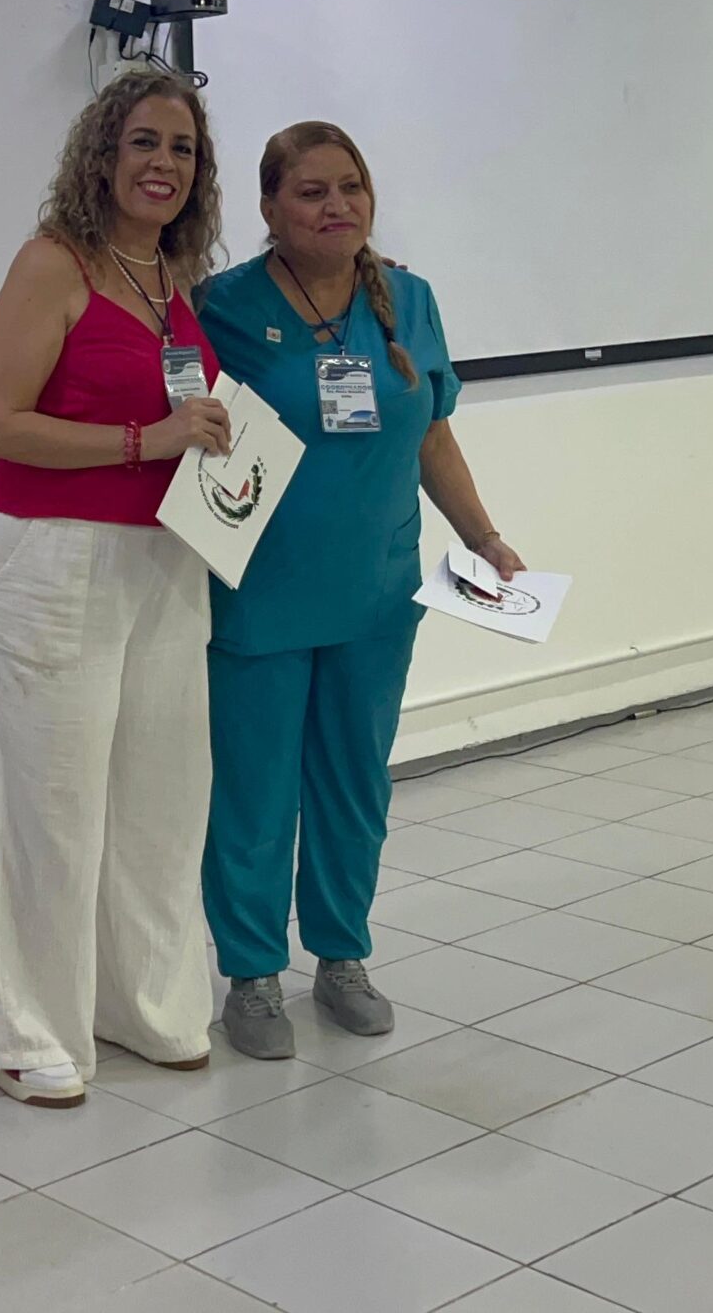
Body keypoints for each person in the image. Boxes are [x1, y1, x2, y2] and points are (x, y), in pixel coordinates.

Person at [195, 121, 523, 1060]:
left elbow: (432, 434)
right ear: (269, 208)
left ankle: (341, 957)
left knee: (353, 785)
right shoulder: (223, 307)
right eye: (311, 192)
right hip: (259, 593)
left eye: (351, 187)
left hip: (377, 594)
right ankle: (253, 974)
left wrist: (485, 538)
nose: (336, 206)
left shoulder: (408, 301)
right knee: (256, 792)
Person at [0, 70, 233, 1107]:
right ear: (102, 154)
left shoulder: (170, 274)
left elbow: (179, 419)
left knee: (162, 796)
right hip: (51, 556)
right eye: (144, 142)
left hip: (164, 557)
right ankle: (19, 1029)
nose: (164, 163)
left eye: (183, 148)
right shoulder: (53, 263)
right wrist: (143, 440)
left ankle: (142, 1003)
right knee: (49, 803)